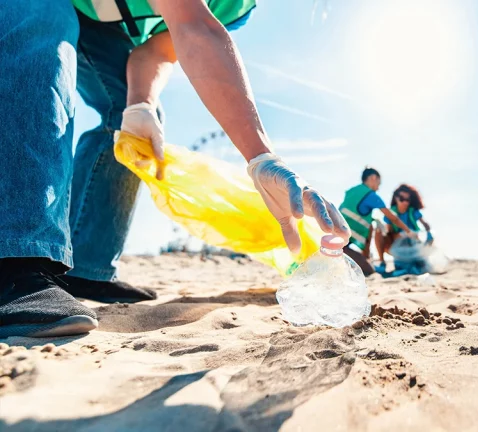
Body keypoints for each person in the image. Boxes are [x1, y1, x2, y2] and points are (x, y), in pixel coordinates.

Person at [0, 0, 348, 338]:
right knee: (40, 20)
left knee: (134, 125)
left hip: (95, 24)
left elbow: (153, 52)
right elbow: (193, 25)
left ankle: (87, 269)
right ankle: (15, 262)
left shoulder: (233, 5)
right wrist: (259, 154)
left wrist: (141, 104)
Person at [339, 168, 416, 276]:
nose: (378, 188)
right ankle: (368, 265)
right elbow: (393, 217)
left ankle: (366, 260)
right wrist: (408, 231)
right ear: (373, 178)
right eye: (378, 184)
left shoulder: (353, 191)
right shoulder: (371, 195)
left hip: (338, 236)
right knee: (369, 270)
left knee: (372, 224)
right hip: (341, 248)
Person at [374, 184, 432, 264]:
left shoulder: (413, 212)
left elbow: (425, 225)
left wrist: (429, 234)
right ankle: (382, 262)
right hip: (396, 245)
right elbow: (389, 232)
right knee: (378, 231)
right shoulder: (390, 213)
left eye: (407, 199)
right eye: (402, 199)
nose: (405, 202)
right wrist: (402, 234)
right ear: (396, 198)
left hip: (412, 244)